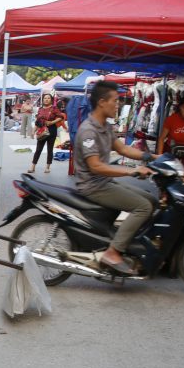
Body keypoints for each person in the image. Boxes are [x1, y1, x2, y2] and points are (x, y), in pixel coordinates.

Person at [73, 80, 156, 276]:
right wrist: (132, 171)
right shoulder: (88, 131)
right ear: (102, 102)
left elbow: (123, 149)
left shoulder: (105, 127)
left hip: (104, 183)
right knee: (143, 207)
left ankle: (135, 246)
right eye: (116, 100)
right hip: (93, 186)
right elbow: (96, 166)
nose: (118, 105)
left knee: (152, 200)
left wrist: (152, 157)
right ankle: (113, 252)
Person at [27, 93, 66, 174]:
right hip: (42, 130)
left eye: (48, 98)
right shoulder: (40, 109)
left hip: (52, 130)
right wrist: (33, 131)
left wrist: (52, 122)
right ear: (43, 99)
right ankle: (33, 166)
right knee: (38, 149)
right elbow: (38, 121)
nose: (46, 99)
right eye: (45, 98)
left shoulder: (54, 108)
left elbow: (60, 117)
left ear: (51, 100)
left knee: (50, 149)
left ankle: (48, 167)